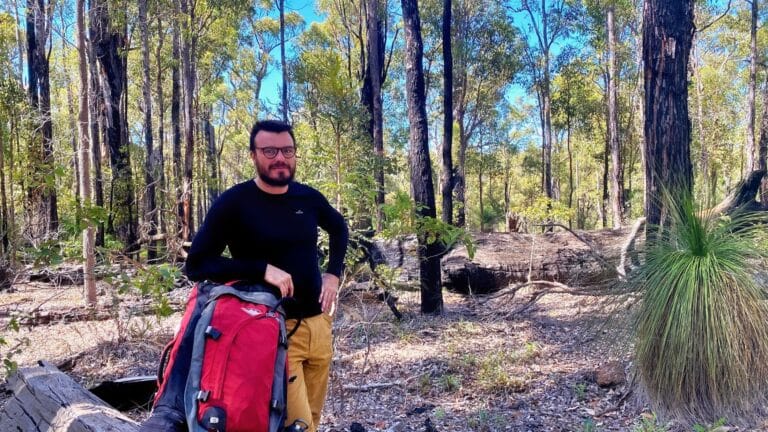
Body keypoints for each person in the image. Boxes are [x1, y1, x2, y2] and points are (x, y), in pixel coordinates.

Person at [146, 119, 348, 432]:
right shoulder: (235, 202)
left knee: (311, 419)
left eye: (287, 150)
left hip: (318, 325)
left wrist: (333, 274)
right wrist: (261, 269)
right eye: (270, 151)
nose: (280, 158)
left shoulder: (308, 198)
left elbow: (338, 227)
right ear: (253, 155)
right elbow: (198, 264)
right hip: (272, 332)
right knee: (299, 425)